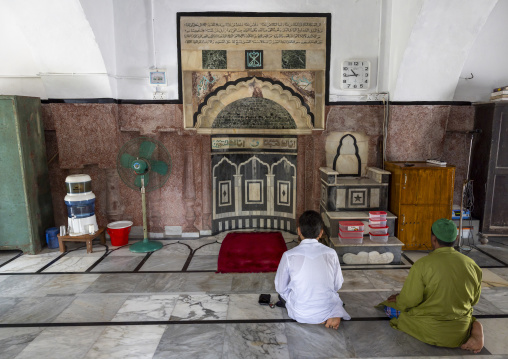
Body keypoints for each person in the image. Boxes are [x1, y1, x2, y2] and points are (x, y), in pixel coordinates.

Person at [380, 218, 484, 353]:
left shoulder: (422, 264)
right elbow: (474, 300)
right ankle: (475, 327)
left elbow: (410, 300)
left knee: (388, 307)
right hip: (459, 330)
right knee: (467, 314)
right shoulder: (471, 264)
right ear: (456, 238)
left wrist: (399, 299)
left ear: (433, 239)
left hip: (429, 329)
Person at [275, 210, 350, 329]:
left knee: (282, 295)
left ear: (299, 231)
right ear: (321, 233)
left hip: (300, 314)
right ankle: (333, 314)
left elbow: (280, 288)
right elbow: (337, 285)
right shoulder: (331, 253)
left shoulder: (289, 255)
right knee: (333, 296)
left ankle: (323, 312)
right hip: (326, 309)